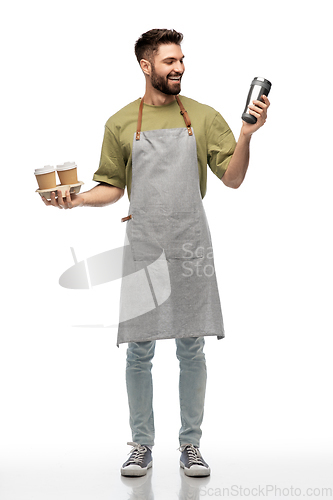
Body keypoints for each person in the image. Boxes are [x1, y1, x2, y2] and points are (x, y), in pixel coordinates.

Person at [42, 28, 270, 478]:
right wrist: (79, 200)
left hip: (190, 243)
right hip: (144, 245)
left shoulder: (203, 117)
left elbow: (234, 179)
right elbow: (111, 185)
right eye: (169, 61)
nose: (179, 67)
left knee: (192, 346)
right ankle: (141, 444)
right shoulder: (121, 122)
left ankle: (191, 445)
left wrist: (247, 134)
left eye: (181, 60)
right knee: (139, 350)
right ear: (146, 66)